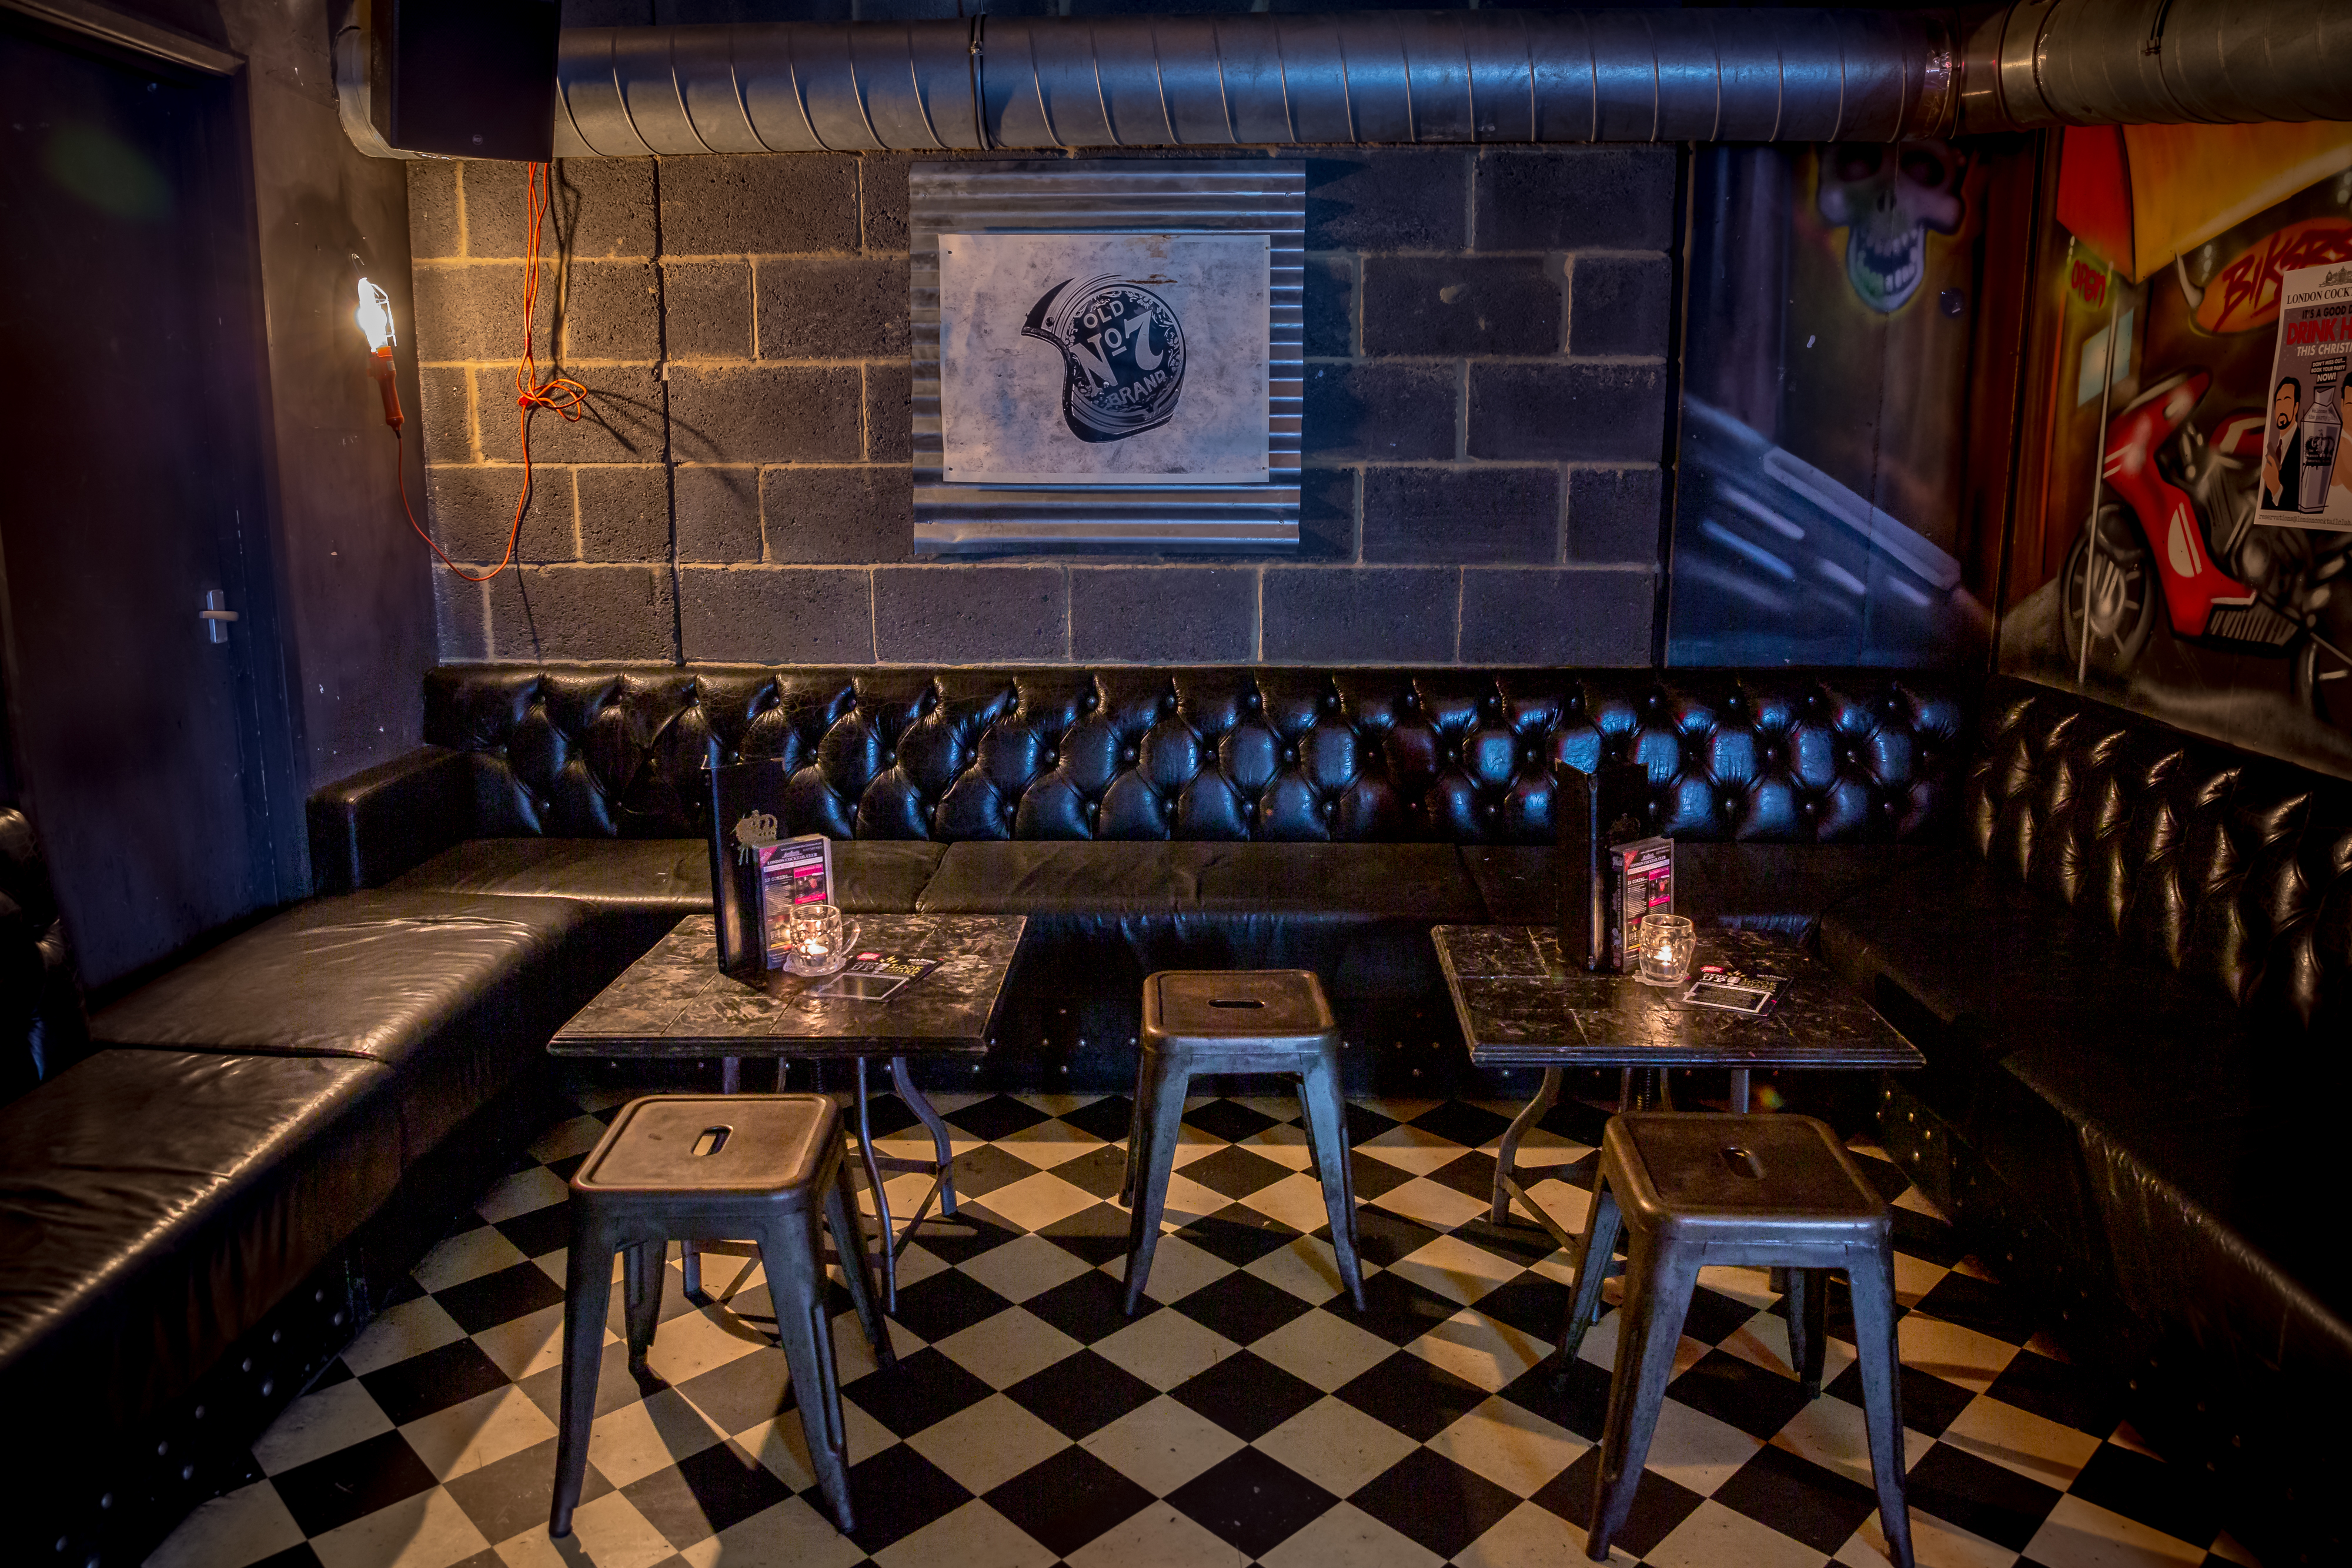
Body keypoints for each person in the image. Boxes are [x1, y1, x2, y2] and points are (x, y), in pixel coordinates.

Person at [2264, 375, 2304, 510]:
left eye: (2287, 401)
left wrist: (2276, 489)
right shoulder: (2272, 446)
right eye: (2278, 402)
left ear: (2296, 407)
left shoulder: (2305, 447)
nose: (2281, 407)